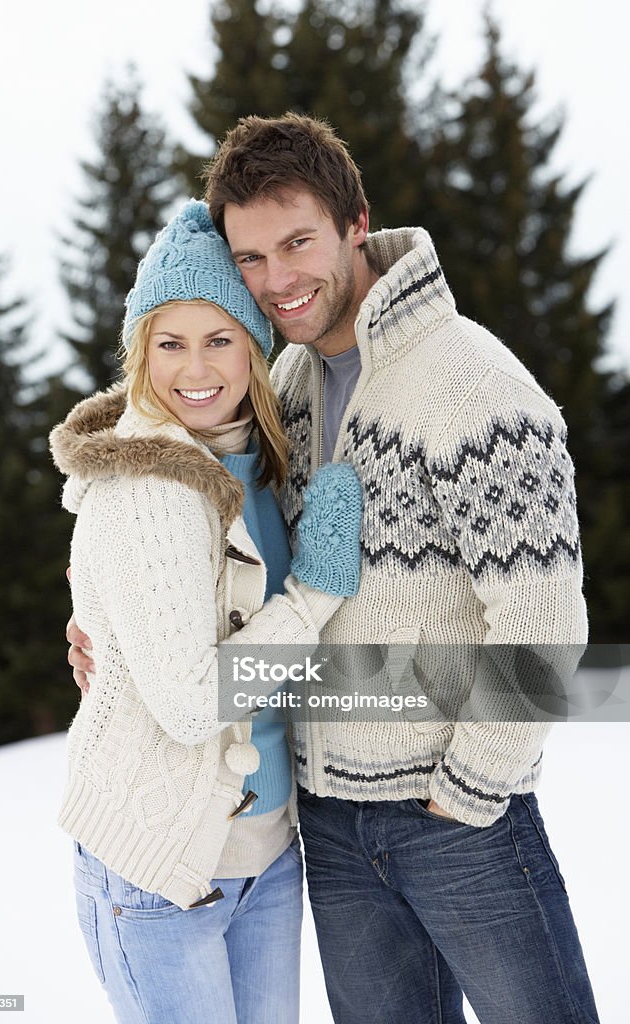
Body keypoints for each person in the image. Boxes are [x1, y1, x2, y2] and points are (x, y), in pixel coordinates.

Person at [68, 114, 599, 1024]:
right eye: (250, 258)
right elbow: (186, 537)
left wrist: (465, 789)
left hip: (454, 821)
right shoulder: (289, 389)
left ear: (356, 221)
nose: (277, 280)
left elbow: (543, 620)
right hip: (323, 823)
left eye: (298, 241)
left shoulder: (472, 384)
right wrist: (110, 636)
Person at [50, 198, 362, 1024]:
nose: (196, 368)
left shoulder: (250, 460)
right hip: (161, 867)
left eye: (220, 338)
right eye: (170, 343)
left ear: (254, 351)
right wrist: (314, 595)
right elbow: (191, 703)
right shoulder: (150, 486)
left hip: (266, 852)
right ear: (139, 352)